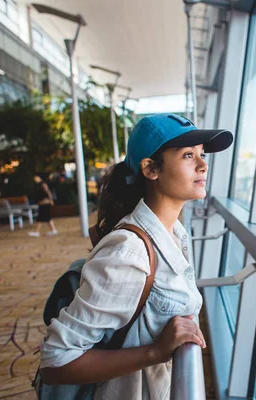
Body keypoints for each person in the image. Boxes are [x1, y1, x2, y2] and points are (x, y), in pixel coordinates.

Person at [39, 113, 233, 399]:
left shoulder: (173, 232)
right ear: (150, 169)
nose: (203, 166)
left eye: (202, 155)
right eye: (189, 155)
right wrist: (155, 351)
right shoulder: (128, 253)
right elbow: (56, 361)